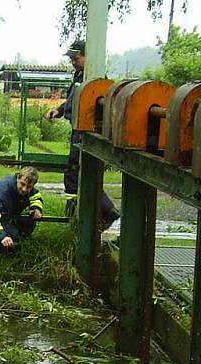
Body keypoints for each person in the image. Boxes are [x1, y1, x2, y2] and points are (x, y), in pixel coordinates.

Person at [46, 39, 120, 229]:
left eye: (76, 58)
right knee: (78, 172)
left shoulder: (94, 79)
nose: (72, 61)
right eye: (71, 58)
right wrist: (60, 110)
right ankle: (93, 213)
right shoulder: (80, 76)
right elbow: (73, 101)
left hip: (86, 132)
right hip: (78, 128)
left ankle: (80, 215)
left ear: (88, 57)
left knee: (76, 172)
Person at [0, 167, 44, 266]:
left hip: (4, 213)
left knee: (29, 221)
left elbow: (36, 196)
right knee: (8, 233)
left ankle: (9, 247)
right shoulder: (1, 192)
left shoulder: (25, 187)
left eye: (28, 187)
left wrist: (36, 208)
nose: (24, 189)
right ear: (17, 178)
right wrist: (2, 236)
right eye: (22, 184)